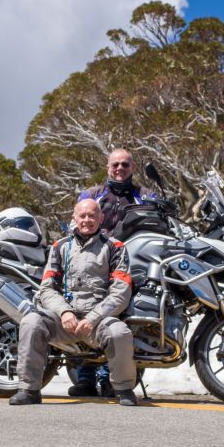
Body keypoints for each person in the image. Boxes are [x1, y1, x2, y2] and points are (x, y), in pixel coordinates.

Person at [9, 198, 138, 406]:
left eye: (92, 216)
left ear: (101, 218)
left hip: (97, 322)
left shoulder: (115, 247)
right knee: (31, 322)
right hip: (64, 320)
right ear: (74, 218)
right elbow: (47, 289)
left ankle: (123, 389)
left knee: (119, 333)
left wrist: (94, 317)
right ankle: (29, 389)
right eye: (82, 216)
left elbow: (121, 292)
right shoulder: (60, 247)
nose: (87, 220)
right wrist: (64, 312)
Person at [70, 148, 156, 397]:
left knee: (122, 317)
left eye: (125, 165)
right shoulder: (92, 195)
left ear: (133, 168)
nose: (120, 169)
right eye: (115, 164)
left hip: (132, 267)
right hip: (95, 264)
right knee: (85, 310)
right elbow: (76, 223)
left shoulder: (144, 195)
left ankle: (111, 378)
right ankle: (85, 378)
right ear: (108, 167)